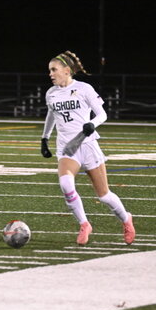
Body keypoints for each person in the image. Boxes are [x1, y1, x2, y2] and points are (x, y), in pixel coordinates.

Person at [40, 51, 135, 245]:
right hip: (67, 148)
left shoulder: (84, 88)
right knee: (66, 184)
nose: (50, 74)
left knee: (104, 195)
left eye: (54, 70)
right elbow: (51, 115)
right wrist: (45, 138)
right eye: (49, 70)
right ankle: (84, 224)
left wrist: (92, 124)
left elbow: (102, 114)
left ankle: (126, 219)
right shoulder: (51, 93)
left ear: (67, 71)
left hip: (87, 145)